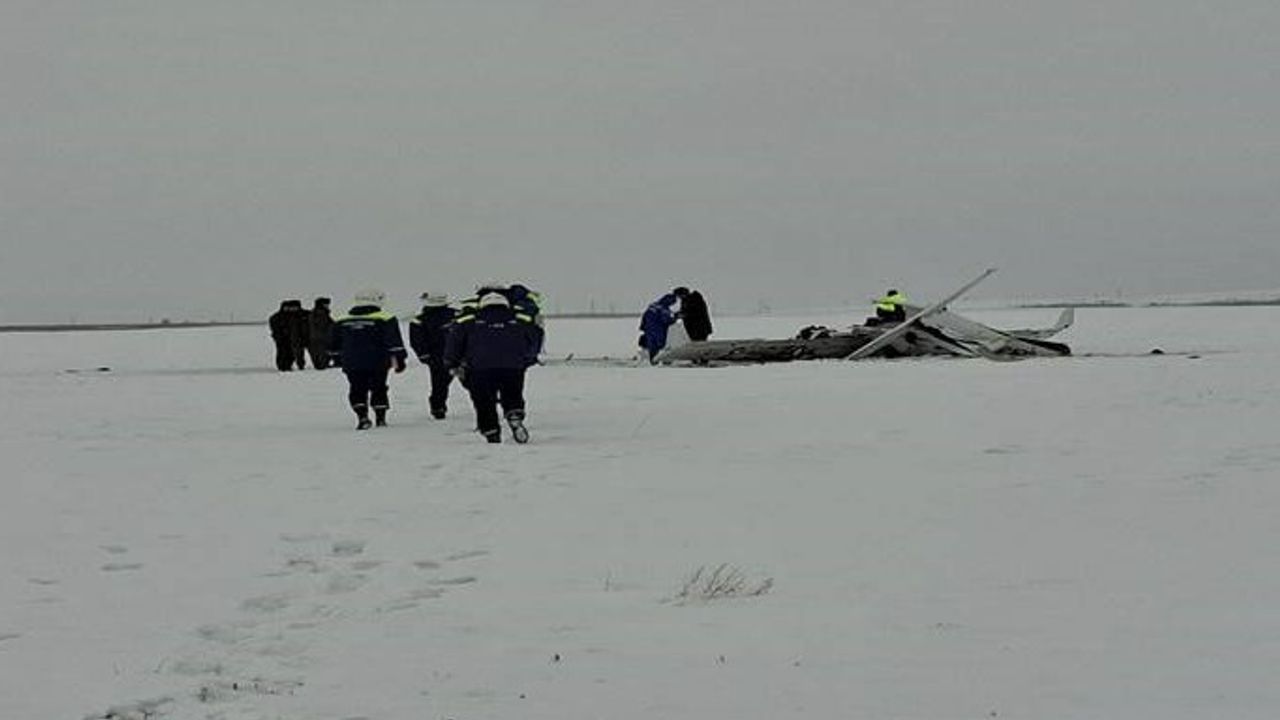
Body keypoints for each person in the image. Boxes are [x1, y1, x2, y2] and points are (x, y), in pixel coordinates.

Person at [444, 291, 540, 444]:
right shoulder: (521, 319)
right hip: (513, 367)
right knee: (512, 393)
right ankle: (514, 413)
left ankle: (491, 431)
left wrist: (451, 362)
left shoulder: (468, 320)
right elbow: (535, 338)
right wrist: (528, 359)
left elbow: (454, 342)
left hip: (479, 368)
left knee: (484, 401)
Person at [329, 289, 407, 430]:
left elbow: (333, 343)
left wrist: (336, 358)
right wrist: (400, 359)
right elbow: (393, 341)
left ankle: (362, 417)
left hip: (352, 362)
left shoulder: (341, 319)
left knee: (357, 388)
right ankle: (380, 418)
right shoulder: (386, 318)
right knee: (379, 387)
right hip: (378, 361)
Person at [408, 292, 456, 419]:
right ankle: (487, 405)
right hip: (459, 354)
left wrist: (424, 355)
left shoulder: (420, 319)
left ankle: (438, 407)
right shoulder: (457, 314)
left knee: (439, 383)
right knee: (474, 382)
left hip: (436, 357)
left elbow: (416, 340)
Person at [268, 299, 309, 371]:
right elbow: (275, 327)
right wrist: (279, 335)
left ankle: (290, 365)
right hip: (282, 339)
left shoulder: (301, 315)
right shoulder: (277, 317)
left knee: (292, 353)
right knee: (282, 353)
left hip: (295, 338)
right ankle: (283, 366)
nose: (291, 309)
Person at [638, 293, 679, 364]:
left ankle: (652, 360)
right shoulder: (663, 309)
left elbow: (645, 316)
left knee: (651, 345)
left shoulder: (653, 306)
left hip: (649, 329)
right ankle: (661, 360)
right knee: (660, 345)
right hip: (658, 329)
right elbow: (666, 320)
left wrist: (643, 326)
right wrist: (675, 318)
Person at [307, 297, 335, 369]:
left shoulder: (314, 313)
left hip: (315, 337)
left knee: (317, 353)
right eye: (326, 304)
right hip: (321, 338)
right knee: (322, 354)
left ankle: (320, 364)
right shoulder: (321, 314)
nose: (328, 306)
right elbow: (325, 326)